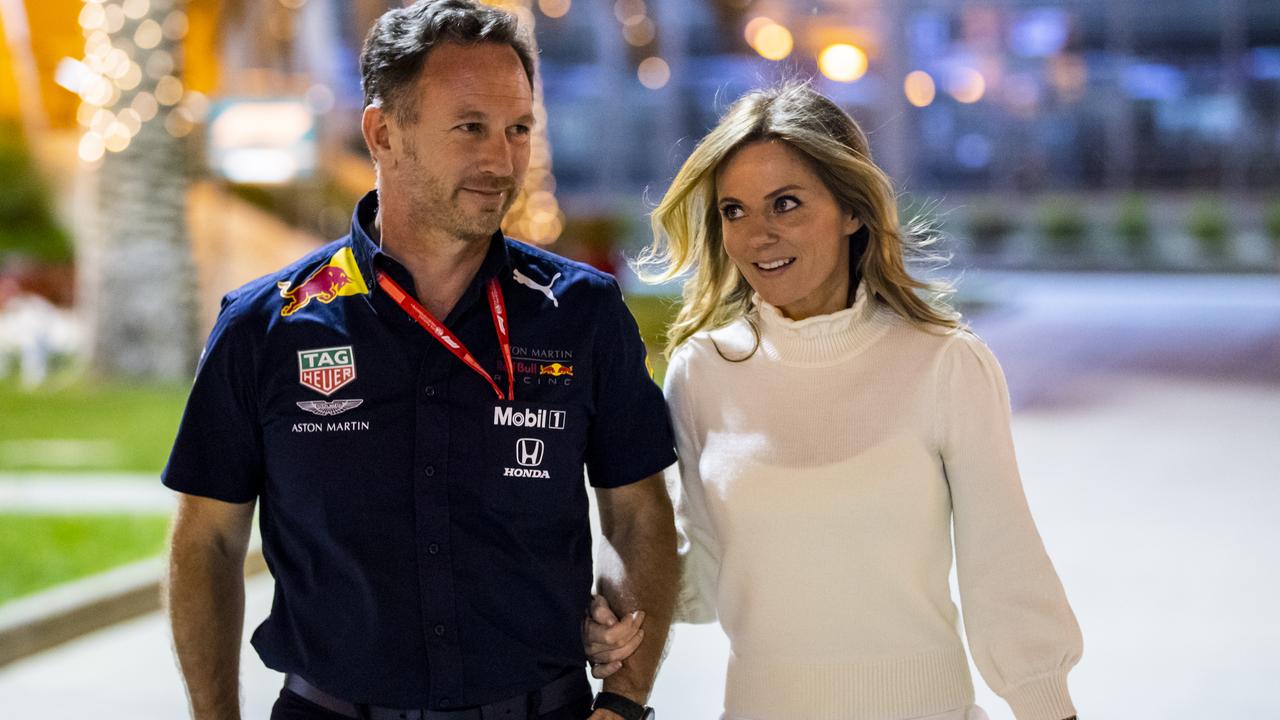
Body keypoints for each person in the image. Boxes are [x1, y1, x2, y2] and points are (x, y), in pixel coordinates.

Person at [163, 2, 677, 719]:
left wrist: (623, 702)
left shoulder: (582, 313)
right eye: (470, 127)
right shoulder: (265, 325)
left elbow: (639, 515)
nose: (502, 161)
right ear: (383, 132)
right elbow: (209, 540)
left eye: (518, 129)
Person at [587, 82, 1082, 720]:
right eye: (734, 210)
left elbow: (1004, 567)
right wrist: (611, 606)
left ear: (853, 211)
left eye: (785, 204)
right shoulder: (703, 372)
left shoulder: (943, 364)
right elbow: (701, 577)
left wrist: (1048, 704)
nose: (756, 235)